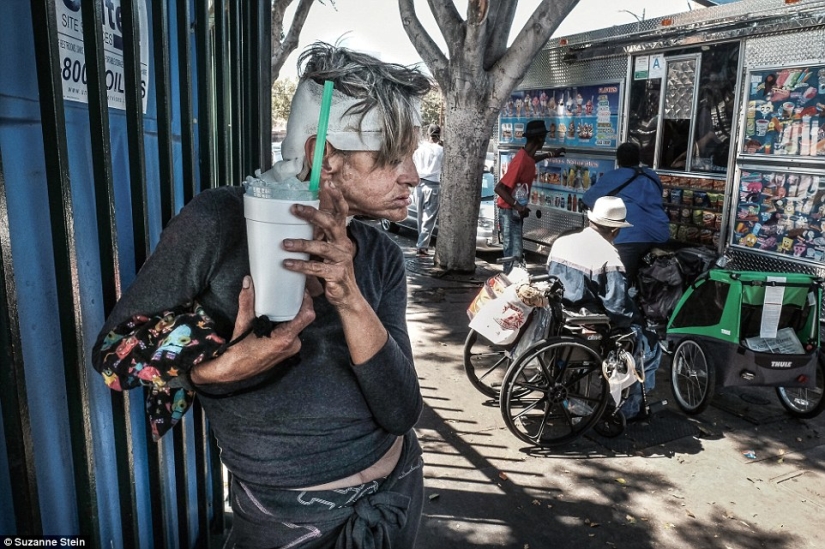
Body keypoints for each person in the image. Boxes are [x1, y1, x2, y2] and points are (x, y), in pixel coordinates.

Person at [91, 42, 431, 548]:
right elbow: (114, 357)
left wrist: (349, 294)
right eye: (393, 156)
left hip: (398, 496)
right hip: (285, 523)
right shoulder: (220, 223)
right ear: (324, 157)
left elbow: (401, 411)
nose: (413, 176)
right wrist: (221, 367)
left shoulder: (378, 254)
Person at [546, 196, 661, 421]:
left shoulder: (562, 241)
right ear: (616, 230)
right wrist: (634, 322)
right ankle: (629, 410)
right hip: (586, 323)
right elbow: (617, 308)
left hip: (559, 315)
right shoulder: (608, 256)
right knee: (648, 346)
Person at [582, 141, 669, 285]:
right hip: (660, 233)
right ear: (638, 158)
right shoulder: (652, 176)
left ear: (619, 160)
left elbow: (588, 199)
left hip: (629, 238)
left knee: (620, 282)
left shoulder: (614, 176)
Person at [495, 120, 564, 274]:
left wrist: (550, 154)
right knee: (514, 252)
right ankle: (510, 284)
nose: (545, 141)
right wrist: (518, 206)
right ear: (539, 139)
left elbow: (532, 160)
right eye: (543, 138)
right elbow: (499, 188)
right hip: (509, 211)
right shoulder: (520, 160)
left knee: (515, 252)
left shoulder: (526, 157)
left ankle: (512, 281)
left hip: (514, 211)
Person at [413, 123, 444, 256]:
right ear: (439, 135)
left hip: (419, 184)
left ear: (428, 134)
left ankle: (421, 244)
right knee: (429, 218)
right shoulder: (441, 150)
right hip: (433, 185)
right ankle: (422, 246)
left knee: (420, 217)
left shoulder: (419, 149)